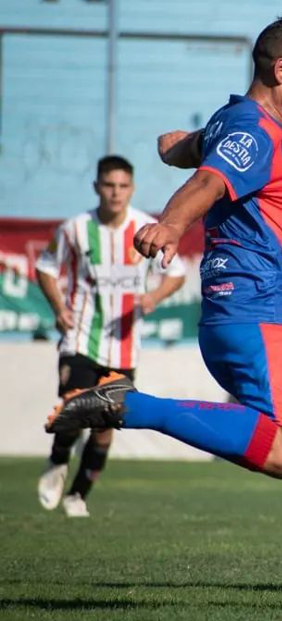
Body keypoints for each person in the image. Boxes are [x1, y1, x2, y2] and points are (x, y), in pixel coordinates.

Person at [45, 14, 282, 614]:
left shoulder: (233, 121)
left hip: (269, 321)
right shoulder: (256, 132)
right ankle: (129, 403)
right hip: (259, 314)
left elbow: (191, 151)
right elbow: (208, 179)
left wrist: (177, 145)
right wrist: (170, 222)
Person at [36, 155, 186, 518]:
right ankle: (58, 461)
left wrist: (154, 296)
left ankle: (78, 496)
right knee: (75, 408)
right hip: (81, 337)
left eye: (122, 186)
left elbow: (177, 272)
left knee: (105, 426)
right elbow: (45, 268)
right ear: (96, 187)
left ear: (131, 189)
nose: (115, 193)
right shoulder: (74, 229)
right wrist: (59, 308)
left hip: (124, 346)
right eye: (108, 185)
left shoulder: (146, 228)